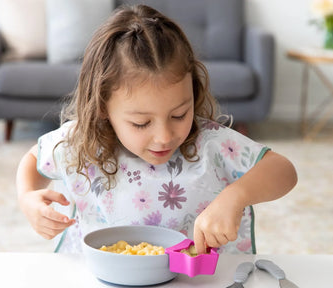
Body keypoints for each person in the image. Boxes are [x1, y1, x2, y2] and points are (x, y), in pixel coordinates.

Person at [16, 4, 297, 254]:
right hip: (104, 285)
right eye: (141, 123)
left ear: (194, 92)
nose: (165, 136)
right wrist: (28, 198)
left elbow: (283, 170)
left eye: (179, 114)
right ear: (103, 107)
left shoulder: (211, 143)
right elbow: (33, 159)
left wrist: (235, 197)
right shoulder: (82, 141)